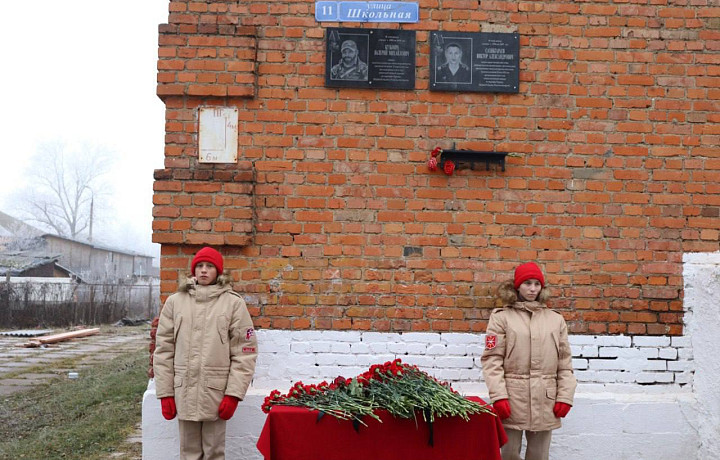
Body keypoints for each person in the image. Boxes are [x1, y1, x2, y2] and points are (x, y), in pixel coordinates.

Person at [154, 246, 258, 460]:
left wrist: (233, 394)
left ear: (218, 272)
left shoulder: (233, 303)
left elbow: (244, 352)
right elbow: (164, 349)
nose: (203, 270)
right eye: (199, 266)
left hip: (216, 392)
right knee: (189, 452)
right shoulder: (175, 302)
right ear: (193, 270)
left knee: (213, 452)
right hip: (184, 391)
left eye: (209, 266)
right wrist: (165, 393)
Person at [481, 262, 576, 460]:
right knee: (508, 453)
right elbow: (492, 360)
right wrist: (499, 396)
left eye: (536, 284)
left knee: (540, 455)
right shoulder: (502, 318)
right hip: (513, 399)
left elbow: (565, 364)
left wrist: (565, 397)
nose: (532, 289)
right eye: (527, 283)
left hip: (545, 400)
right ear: (517, 286)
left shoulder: (555, 320)